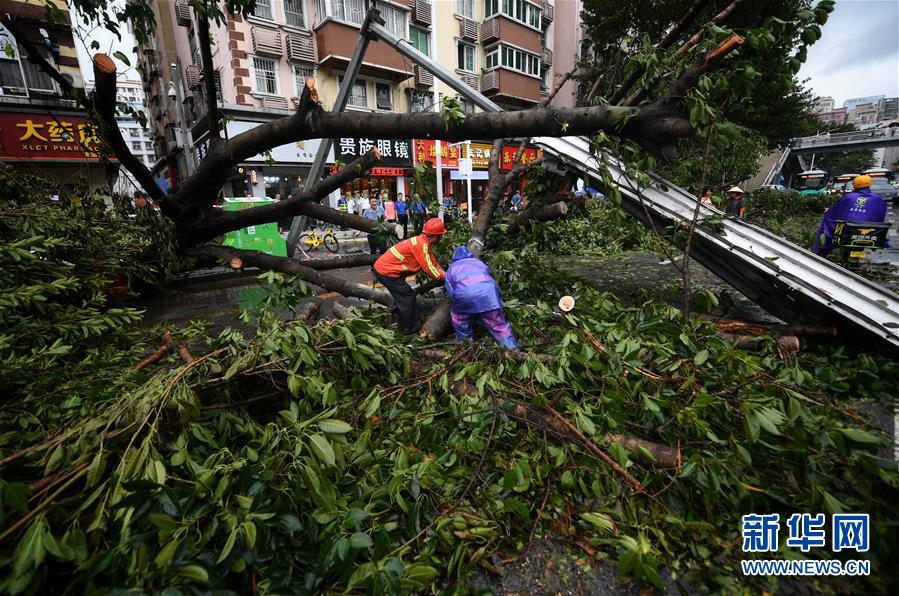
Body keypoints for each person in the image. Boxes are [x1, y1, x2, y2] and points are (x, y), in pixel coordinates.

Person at [373, 218, 447, 334]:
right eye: (441, 235)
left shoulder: (422, 242)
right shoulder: (421, 245)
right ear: (436, 235)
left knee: (403, 295)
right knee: (407, 297)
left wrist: (445, 274)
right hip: (386, 272)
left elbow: (433, 263)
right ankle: (409, 329)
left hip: (388, 270)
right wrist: (446, 278)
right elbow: (429, 268)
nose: (441, 238)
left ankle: (399, 317)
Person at [445, 246, 519, 350]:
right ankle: (513, 351)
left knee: (460, 320)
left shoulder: (451, 268)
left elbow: (450, 292)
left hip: (464, 296)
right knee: (498, 325)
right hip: (490, 295)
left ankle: (466, 348)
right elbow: (490, 278)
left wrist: (460, 305)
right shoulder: (478, 262)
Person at [812, 174, 886, 257]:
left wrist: (828, 213)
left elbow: (835, 212)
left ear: (855, 185)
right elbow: (880, 216)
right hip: (869, 235)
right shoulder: (877, 199)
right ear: (869, 185)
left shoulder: (848, 197)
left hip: (847, 232)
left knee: (826, 226)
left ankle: (821, 254)